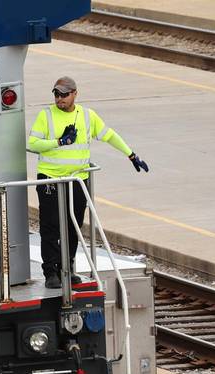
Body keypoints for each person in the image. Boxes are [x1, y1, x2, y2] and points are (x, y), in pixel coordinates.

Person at [27, 77, 150, 289]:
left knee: (73, 225)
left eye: (64, 94)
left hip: (77, 179)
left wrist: (131, 155)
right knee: (51, 226)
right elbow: (33, 144)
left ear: (75, 93)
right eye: (56, 94)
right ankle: (51, 271)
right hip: (50, 180)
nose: (59, 99)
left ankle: (68, 267)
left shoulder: (86, 116)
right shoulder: (45, 115)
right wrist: (59, 142)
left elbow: (109, 135)